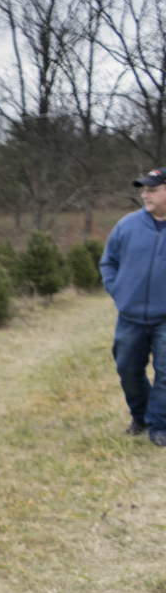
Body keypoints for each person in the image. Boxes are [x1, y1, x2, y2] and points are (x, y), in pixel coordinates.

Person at [100, 166, 166, 445]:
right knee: (128, 369)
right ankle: (140, 417)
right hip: (130, 316)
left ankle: (160, 425)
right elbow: (108, 263)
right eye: (143, 189)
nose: (145, 194)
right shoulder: (127, 225)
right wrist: (120, 292)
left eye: (152, 189)